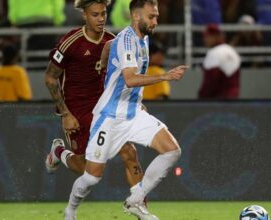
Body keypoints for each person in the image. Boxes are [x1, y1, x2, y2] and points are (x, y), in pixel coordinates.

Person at [64, 1, 188, 219]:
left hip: (133, 113)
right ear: (137, 16)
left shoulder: (142, 38)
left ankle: (135, 200)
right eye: (151, 17)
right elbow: (130, 79)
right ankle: (70, 210)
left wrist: (103, 62)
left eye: (156, 16)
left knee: (172, 150)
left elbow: (109, 47)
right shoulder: (127, 40)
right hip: (109, 117)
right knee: (92, 177)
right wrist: (165, 76)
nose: (155, 22)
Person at [44, 1, 146, 208]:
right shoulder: (70, 42)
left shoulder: (114, 42)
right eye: (95, 14)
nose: (101, 19)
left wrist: (134, 103)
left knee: (129, 152)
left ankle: (140, 207)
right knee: (86, 170)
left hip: (105, 108)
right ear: (84, 16)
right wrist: (65, 114)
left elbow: (122, 77)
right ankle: (59, 153)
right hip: (77, 110)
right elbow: (50, 78)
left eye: (103, 14)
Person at [199, 24, 241, 99]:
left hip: (218, 101)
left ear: (216, 37)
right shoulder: (232, 51)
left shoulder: (214, 52)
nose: (205, 40)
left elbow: (210, 81)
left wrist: (201, 97)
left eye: (207, 37)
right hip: (234, 99)